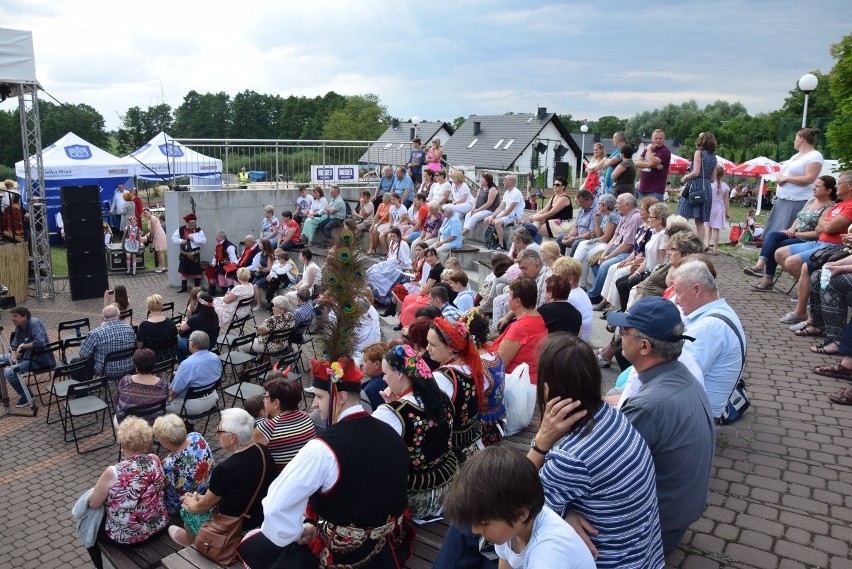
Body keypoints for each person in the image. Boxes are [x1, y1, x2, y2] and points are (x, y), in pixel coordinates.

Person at [235, 358, 411, 569]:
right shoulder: (391, 432)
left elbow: (275, 506)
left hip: (341, 556)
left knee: (259, 547)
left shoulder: (322, 449)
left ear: (341, 397)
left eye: (319, 397)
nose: (313, 404)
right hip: (385, 551)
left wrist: (298, 531)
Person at [525, 333, 665, 567]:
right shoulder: (613, 417)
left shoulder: (571, 457)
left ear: (547, 390)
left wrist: (540, 442)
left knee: (472, 532)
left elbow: (512, 502)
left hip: (609, 560)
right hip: (643, 556)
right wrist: (564, 513)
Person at [606, 296, 715, 554]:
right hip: (678, 512)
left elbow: (610, 471)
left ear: (644, 346)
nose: (620, 336)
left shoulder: (648, 406)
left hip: (656, 527)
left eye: (624, 331)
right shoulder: (681, 375)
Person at [441, 446, 596, 569]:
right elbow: (505, 562)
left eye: (484, 523)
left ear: (520, 514)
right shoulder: (511, 528)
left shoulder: (547, 555)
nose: (475, 530)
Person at [371, 344, 458, 518]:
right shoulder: (441, 396)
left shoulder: (390, 414)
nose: (383, 379)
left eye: (385, 373)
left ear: (400, 374)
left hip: (416, 499)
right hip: (450, 487)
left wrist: (391, 407)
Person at [168, 408, 277, 547]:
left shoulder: (224, 469)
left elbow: (203, 507)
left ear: (232, 437)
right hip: (261, 516)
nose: (217, 434)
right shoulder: (263, 450)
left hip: (237, 528)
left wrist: (190, 503)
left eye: (219, 431)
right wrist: (200, 498)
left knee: (187, 511)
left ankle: (190, 542)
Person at [85, 417, 167, 569]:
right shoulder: (154, 459)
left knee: (89, 529)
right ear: (146, 441)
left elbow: (93, 503)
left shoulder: (114, 472)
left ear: (122, 443)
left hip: (129, 537)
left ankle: (100, 565)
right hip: (158, 526)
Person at [671, 260, 746, 420]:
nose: (676, 300)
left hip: (697, 414)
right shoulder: (717, 312)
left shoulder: (710, 327)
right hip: (696, 404)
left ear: (697, 289)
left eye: (678, 292)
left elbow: (676, 377)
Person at [745, 174, 836, 288]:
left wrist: (796, 233)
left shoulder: (830, 208)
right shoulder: (811, 200)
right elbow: (799, 217)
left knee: (777, 246)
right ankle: (760, 265)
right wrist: (792, 228)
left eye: (817, 186)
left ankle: (768, 279)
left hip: (807, 239)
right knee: (772, 235)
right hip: (794, 233)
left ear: (828, 191)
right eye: (814, 185)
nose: (813, 188)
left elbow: (818, 233)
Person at [426, 317, 486, 462]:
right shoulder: (469, 366)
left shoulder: (442, 378)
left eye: (433, 344)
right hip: (473, 443)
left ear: (452, 350)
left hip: (454, 453)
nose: (427, 348)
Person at [764, 127, 825, 235]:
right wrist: (779, 176)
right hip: (782, 200)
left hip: (797, 200)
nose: (794, 141)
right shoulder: (796, 156)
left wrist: (787, 178)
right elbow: (785, 171)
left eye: (795, 138)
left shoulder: (815, 156)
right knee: (773, 234)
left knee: (785, 234)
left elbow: (809, 178)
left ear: (802, 139)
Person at [252, 374, 316, 473]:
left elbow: (254, 457)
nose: (263, 400)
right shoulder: (307, 417)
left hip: (280, 479)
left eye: (265, 397)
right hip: (306, 473)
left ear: (276, 403)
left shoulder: (266, 428)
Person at [153, 413, 214, 516]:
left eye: (158, 437)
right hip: (206, 488)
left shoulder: (170, 465)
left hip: (183, 503)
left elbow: (161, 485)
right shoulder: (196, 436)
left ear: (167, 442)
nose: (157, 439)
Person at [490, 278, 547, 384]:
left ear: (517, 301)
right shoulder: (538, 318)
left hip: (516, 384)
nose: (508, 299)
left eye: (510, 295)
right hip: (531, 381)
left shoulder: (520, 328)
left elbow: (499, 365)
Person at [587, 193, 641, 303]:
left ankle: (593, 295)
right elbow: (614, 238)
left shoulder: (635, 218)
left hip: (627, 252)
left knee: (605, 265)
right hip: (617, 249)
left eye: (618, 203)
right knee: (594, 261)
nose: (615, 205)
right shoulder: (623, 216)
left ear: (627, 205)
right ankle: (601, 292)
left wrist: (608, 257)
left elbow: (627, 245)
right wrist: (604, 254)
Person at [1, 306, 52, 407]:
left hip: (37, 359)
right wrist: (14, 353)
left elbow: (40, 343)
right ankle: (1, 392)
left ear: (24, 316)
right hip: (25, 356)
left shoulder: (34, 323)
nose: (12, 319)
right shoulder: (19, 325)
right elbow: (15, 344)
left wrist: (23, 346)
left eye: (15, 316)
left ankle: (26, 395)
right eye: (12, 316)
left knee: (9, 372)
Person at [677, 132, 718, 245]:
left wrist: (685, 178)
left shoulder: (699, 153)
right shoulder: (714, 158)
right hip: (706, 189)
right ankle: (700, 246)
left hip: (694, 187)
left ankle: (678, 243)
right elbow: (713, 179)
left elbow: (695, 172)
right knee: (699, 221)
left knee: (683, 216)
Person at [166, 330, 221, 415]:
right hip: (212, 399)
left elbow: (174, 392)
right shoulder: (215, 358)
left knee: (160, 405)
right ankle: (188, 422)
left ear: (192, 344)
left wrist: (166, 398)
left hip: (191, 406)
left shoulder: (187, 364)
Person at [572, 193, 619, 289]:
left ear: (605, 206)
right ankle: (577, 277)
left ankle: (573, 273)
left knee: (586, 254)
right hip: (603, 243)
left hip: (610, 245)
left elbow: (605, 238)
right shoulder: (605, 216)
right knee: (582, 244)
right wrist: (596, 220)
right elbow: (599, 234)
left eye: (600, 204)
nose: (598, 206)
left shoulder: (613, 216)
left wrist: (596, 239)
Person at [79, 305, 136, 380]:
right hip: (129, 367)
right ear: (119, 316)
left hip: (106, 371)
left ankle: (84, 389)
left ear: (102, 318)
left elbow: (83, 355)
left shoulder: (95, 333)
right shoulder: (130, 329)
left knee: (77, 363)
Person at [114, 348, 168, 425]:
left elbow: (117, 400)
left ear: (136, 365)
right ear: (153, 364)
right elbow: (166, 402)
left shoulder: (125, 381)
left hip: (127, 426)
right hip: (153, 424)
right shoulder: (163, 384)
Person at [551, 257, 593, 343]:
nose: (553, 280)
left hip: (574, 343)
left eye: (557, 278)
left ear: (570, 279)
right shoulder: (580, 291)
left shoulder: (568, 298)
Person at [367, 226, 412, 307]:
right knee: (372, 270)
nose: (392, 238)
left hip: (397, 266)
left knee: (379, 275)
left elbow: (405, 259)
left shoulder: (403, 244)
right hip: (389, 263)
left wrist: (410, 269)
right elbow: (390, 255)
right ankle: (374, 297)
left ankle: (381, 298)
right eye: (391, 236)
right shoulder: (392, 242)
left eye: (394, 236)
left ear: (398, 236)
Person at [483, 175, 524, 251]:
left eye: (505, 180)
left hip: (515, 216)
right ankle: (490, 240)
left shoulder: (516, 193)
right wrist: (493, 216)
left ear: (511, 181)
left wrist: (498, 218)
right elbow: (501, 207)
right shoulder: (506, 193)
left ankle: (500, 245)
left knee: (497, 222)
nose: (503, 182)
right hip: (507, 214)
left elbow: (509, 210)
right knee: (486, 220)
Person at [178, 292, 219, 361]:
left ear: (199, 304)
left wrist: (184, 322)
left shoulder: (196, 318)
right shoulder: (215, 316)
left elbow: (182, 328)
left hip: (196, 347)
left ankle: (183, 364)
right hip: (210, 344)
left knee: (177, 339)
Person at [136, 294, 178, 360]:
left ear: (149, 307)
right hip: (169, 357)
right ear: (162, 306)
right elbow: (175, 338)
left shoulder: (144, 326)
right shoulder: (170, 322)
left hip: (150, 359)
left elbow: (139, 346)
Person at [634, 129, 672, 201]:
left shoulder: (665, 151)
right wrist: (653, 165)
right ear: (652, 139)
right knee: (643, 212)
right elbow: (637, 163)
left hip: (655, 189)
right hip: (643, 188)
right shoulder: (647, 150)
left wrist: (648, 149)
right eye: (656, 138)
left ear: (664, 139)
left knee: (654, 212)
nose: (658, 140)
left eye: (660, 138)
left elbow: (652, 162)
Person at [173, 212, 206, 293]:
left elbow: (203, 241)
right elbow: (173, 239)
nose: (192, 224)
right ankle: (183, 287)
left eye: (193, 223)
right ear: (186, 222)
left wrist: (194, 239)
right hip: (184, 254)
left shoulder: (198, 230)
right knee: (183, 271)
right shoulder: (180, 229)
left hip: (195, 255)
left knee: (196, 271)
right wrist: (181, 241)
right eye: (190, 223)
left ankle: (197, 288)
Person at [557, 189, 597, 256]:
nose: (579, 205)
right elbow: (576, 226)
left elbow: (592, 233)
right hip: (579, 236)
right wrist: (569, 236)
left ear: (589, 200)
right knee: (560, 238)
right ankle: (560, 261)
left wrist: (575, 238)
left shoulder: (595, 211)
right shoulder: (582, 208)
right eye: (578, 202)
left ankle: (571, 264)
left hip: (589, 238)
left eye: (581, 202)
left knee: (576, 243)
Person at [463, 173, 500, 238]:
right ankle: (465, 234)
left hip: (490, 210)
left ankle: (463, 233)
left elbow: (489, 203)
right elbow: (476, 199)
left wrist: (477, 210)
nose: (481, 180)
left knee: (475, 217)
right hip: (480, 209)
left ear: (487, 181)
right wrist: (473, 208)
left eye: (482, 179)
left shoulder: (492, 189)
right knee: (468, 215)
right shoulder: (481, 188)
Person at [205, 230, 239, 296]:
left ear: (221, 237)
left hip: (226, 267)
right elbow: (215, 256)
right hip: (219, 266)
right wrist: (213, 264)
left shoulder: (229, 246)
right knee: (209, 271)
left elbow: (233, 259)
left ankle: (225, 291)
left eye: (217, 236)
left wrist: (229, 266)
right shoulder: (218, 245)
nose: (215, 238)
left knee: (221, 279)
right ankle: (212, 289)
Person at [706, 165, 731, 254]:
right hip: (720, 208)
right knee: (716, 229)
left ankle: (706, 244)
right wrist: (727, 212)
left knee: (708, 227)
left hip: (709, 207)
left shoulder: (710, 184)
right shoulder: (725, 186)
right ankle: (715, 249)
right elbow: (727, 201)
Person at [359, 342, 389, 412]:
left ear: (376, 364)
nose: (362, 364)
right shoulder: (386, 379)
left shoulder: (372, 388)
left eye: (365, 361)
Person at [141, 208, 167, 273]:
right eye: (144, 213)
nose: (145, 214)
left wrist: (150, 238)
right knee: (158, 252)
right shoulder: (150, 219)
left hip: (159, 236)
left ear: (150, 212)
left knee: (160, 252)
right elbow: (151, 231)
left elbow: (153, 230)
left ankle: (163, 267)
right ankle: (160, 266)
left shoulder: (152, 219)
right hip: (156, 236)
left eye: (146, 212)